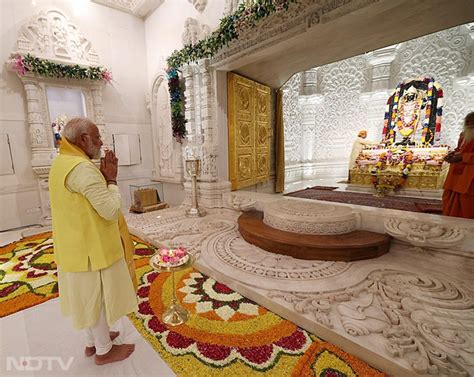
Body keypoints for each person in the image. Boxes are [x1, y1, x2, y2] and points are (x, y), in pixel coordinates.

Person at [49, 117, 138, 365]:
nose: (101, 142)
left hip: (74, 245)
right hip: (90, 248)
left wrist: (101, 178)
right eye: (97, 137)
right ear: (83, 139)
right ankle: (104, 350)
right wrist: (111, 180)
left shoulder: (62, 162)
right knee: (96, 299)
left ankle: (93, 342)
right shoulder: (81, 168)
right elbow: (110, 210)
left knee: (87, 297)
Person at [442, 112, 474, 219]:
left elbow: (465, 154)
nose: (470, 124)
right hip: (455, 175)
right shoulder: (463, 135)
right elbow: (460, 149)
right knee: (449, 198)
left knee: (466, 202)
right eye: (468, 122)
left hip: (469, 176)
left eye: (472, 122)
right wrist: (452, 154)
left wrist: (462, 157)